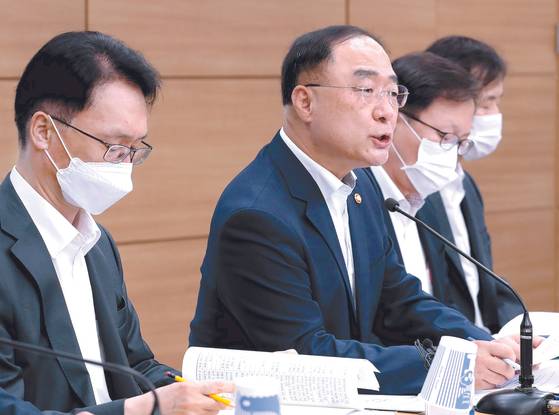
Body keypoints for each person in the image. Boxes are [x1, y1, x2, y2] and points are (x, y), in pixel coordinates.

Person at [189, 25, 521, 395]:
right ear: (305, 102)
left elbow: (396, 298)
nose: (387, 112)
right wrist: (447, 365)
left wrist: (485, 345)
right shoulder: (256, 215)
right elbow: (307, 354)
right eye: (366, 91)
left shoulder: (360, 184)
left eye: (393, 93)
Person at [0, 31, 232, 414]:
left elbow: (135, 365)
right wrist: (144, 409)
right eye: (114, 146)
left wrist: (206, 395)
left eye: (135, 149)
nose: (125, 166)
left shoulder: (96, 242)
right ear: (44, 132)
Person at [416, 36, 522, 333]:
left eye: (497, 101)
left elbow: (485, 284)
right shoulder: (414, 189)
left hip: (487, 345)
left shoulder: (465, 183)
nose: (495, 116)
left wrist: (521, 333)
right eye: (487, 103)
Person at [363, 51, 478, 303]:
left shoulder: (428, 202)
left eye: (460, 141)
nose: (453, 153)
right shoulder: (353, 202)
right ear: (395, 117)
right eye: (445, 135)